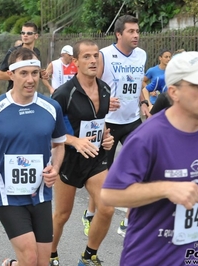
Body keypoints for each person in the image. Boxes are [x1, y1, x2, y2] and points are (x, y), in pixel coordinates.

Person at [101, 51, 198, 265]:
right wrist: (167, 189)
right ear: (174, 92)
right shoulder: (147, 137)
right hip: (151, 257)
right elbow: (110, 194)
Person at [0, 47, 66, 266]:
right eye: (24, 73)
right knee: (30, 257)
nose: (30, 79)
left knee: (42, 262)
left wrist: (56, 168)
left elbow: (59, 145)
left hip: (40, 193)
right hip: (7, 194)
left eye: (34, 73)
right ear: (11, 75)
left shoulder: (51, 107)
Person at [82, 14, 149, 239]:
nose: (136, 35)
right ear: (119, 34)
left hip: (132, 121)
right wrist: (102, 101)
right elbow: (91, 85)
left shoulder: (141, 55)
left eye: (137, 31)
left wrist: (143, 101)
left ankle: (129, 221)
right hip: (108, 123)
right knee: (101, 174)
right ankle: (90, 213)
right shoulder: (104, 55)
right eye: (131, 31)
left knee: (140, 168)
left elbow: (138, 82)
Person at [50, 39, 114, 266]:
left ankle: (88, 257)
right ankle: (51, 253)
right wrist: (74, 141)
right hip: (67, 159)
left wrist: (106, 138)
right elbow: (49, 129)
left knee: (106, 207)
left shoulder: (105, 89)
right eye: (86, 56)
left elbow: (100, 122)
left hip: (95, 159)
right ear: (75, 62)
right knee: (62, 215)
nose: (93, 60)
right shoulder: (63, 93)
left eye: (96, 55)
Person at [0, 22, 44, 92]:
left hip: (31, 93)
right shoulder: (13, 52)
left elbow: (37, 71)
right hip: (15, 94)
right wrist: (20, 76)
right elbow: (0, 75)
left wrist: (42, 74)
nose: (25, 35)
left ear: (36, 36)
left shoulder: (37, 52)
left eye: (29, 33)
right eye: (23, 33)